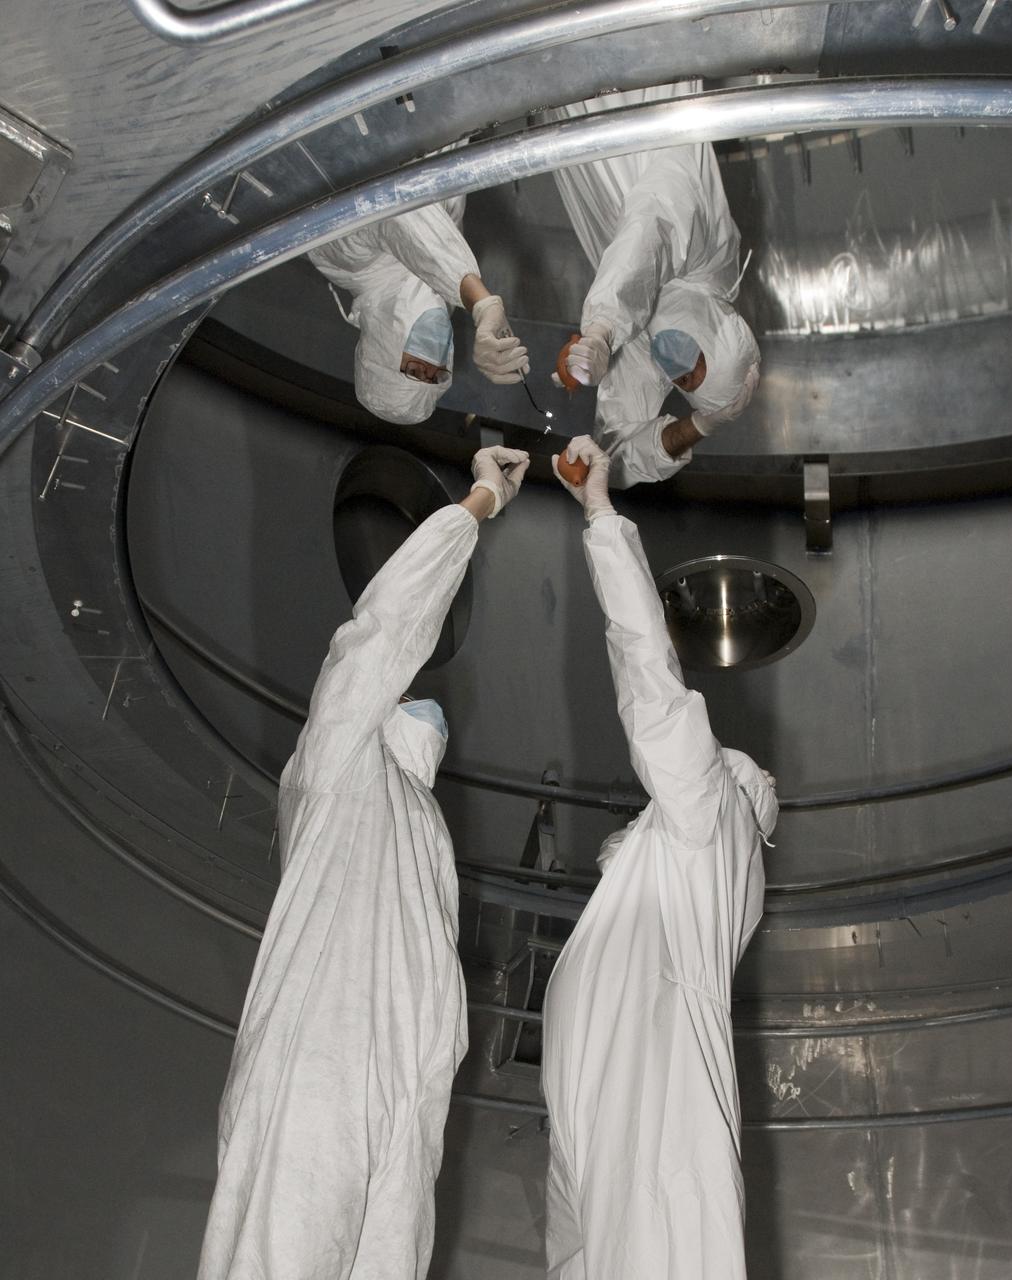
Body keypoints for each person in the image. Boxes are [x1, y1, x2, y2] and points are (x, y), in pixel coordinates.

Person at [196, 444, 531, 1280]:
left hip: (405, 1094)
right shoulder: (333, 770)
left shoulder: (418, 825)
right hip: (316, 1063)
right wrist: (477, 505)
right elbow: (382, 631)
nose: (418, 696)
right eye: (402, 692)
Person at [543, 435, 777, 1279]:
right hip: (602, 1099)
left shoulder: (705, 815)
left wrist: (602, 516)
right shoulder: (659, 874)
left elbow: (649, 672)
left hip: (657, 1103)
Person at [549, 84, 760, 488]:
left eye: (683, 382)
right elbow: (652, 225)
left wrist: (700, 425)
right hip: (638, 87)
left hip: (571, 103)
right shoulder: (713, 260)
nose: (678, 368)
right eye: (696, 364)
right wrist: (603, 328)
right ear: (716, 335)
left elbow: (617, 455)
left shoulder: (644, 335)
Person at [308, 197, 529, 424]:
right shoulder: (435, 297)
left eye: (416, 366)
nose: (433, 351)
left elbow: (397, 204)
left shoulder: (341, 257)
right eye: (437, 370)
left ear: (383, 349)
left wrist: (481, 302)